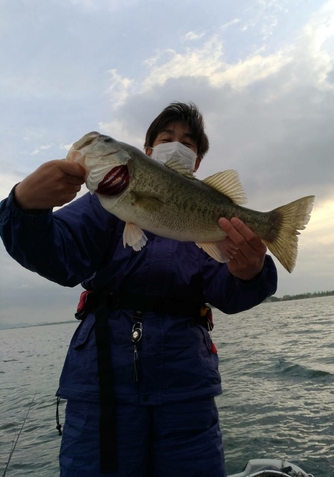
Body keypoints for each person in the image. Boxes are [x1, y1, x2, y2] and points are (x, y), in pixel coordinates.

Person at [0, 102, 277, 477]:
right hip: (100, 386)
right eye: (166, 138)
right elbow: (57, 255)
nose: (176, 145)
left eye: (188, 143)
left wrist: (251, 273)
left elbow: (230, 294)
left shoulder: (209, 215)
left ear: (196, 163)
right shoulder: (102, 205)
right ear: (146, 151)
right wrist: (24, 207)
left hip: (186, 385)